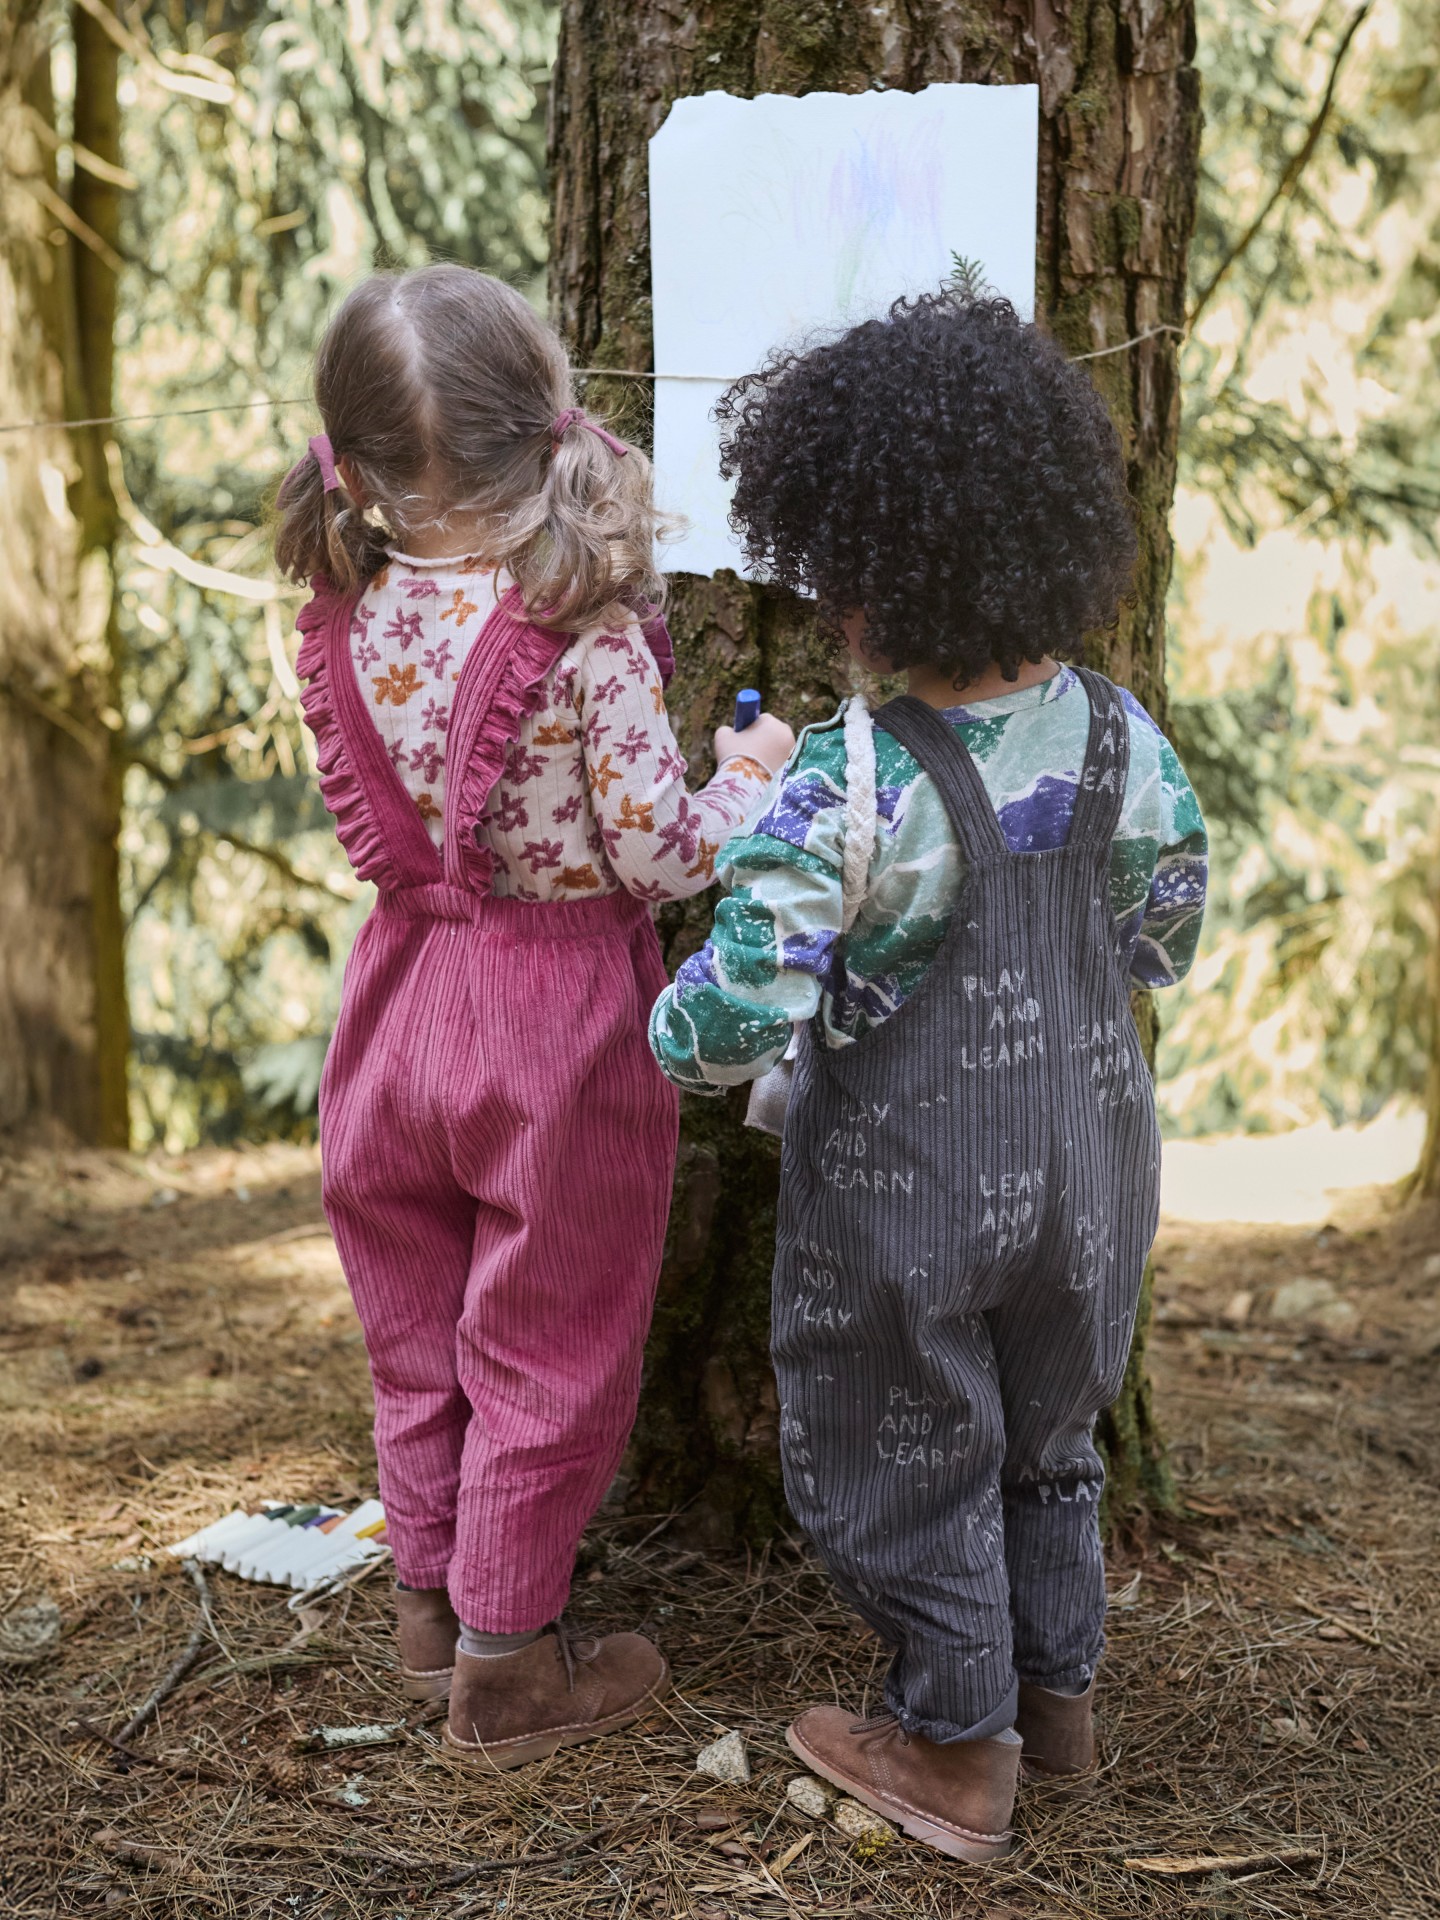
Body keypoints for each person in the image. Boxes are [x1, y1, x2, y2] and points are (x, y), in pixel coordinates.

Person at [650, 293, 1208, 1860]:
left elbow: (733, 1022)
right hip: (1097, 1157)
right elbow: (1169, 921)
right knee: (1049, 1436)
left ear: (868, 577)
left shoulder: (854, 774)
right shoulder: (1122, 736)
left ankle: (958, 1752)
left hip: (915, 1182)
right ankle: (1061, 1708)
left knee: (911, 1443)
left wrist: (674, 1003)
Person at [274, 264, 793, 1770]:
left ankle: (429, 1613)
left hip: (394, 1010)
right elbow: (664, 853)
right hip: (552, 1026)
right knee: (546, 1347)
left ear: (359, 473)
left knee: (418, 1334)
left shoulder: (349, 618)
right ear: (537, 428)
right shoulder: (583, 632)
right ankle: (508, 1673)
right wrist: (751, 768)